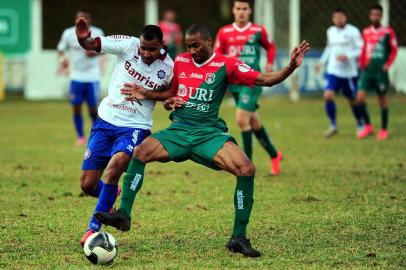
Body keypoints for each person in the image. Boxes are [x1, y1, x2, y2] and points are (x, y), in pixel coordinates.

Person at [95, 24, 310, 257]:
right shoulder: (180, 62)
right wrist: (169, 102)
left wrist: (290, 67)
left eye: (196, 45)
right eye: (189, 46)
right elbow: (171, 94)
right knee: (141, 152)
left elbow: (267, 79)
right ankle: (123, 214)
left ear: (210, 42)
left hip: (208, 133)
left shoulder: (227, 65)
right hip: (178, 131)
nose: (192, 50)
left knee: (246, 169)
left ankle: (239, 237)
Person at [74, 17, 174, 246]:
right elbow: (92, 44)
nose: (146, 54)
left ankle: (92, 230)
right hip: (105, 120)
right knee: (88, 185)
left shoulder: (169, 68)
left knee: (115, 167)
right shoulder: (127, 45)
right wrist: (83, 40)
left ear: (162, 45)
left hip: (135, 126)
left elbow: (171, 94)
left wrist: (147, 93)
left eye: (151, 50)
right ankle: (111, 193)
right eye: (143, 48)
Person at [214, 0, 283, 175]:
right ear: (233, 11)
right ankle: (275, 155)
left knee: (241, 120)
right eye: (238, 9)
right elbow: (217, 55)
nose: (241, 12)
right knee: (253, 121)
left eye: (245, 9)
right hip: (234, 82)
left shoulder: (258, 30)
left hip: (253, 81)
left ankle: (246, 163)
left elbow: (270, 46)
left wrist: (269, 63)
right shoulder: (224, 32)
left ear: (250, 11)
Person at [57, 10, 104, 145]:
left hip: (92, 76)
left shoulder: (98, 32)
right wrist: (62, 59)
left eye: (85, 19)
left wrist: (94, 53)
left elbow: (105, 49)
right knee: (76, 106)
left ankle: (95, 136)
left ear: (89, 20)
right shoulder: (68, 33)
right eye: (79, 18)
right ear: (76, 20)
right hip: (76, 76)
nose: (83, 21)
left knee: (93, 108)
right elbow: (61, 48)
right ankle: (80, 136)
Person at [315, 8, 363, 138]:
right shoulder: (330, 31)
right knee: (328, 95)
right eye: (336, 17)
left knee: (352, 100)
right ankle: (333, 125)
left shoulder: (353, 31)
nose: (339, 20)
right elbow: (329, 48)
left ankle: (360, 123)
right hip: (333, 70)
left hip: (348, 73)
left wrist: (348, 55)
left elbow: (361, 49)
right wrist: (321, 62)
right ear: (333, 19)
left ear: (345, 18)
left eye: (341, 17)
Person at [356, 4, 398, 140]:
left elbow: (394, 50)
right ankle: (368, 126)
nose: (375, 17)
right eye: (373, 14)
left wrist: (388, 64)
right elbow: (363, 49)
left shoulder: (388, 32)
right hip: (367, 70)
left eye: (378, 14)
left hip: (380, 71)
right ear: (370, 16)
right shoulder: (366, 32)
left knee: (382, 99)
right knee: (360, 97)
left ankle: (384, 129)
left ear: (381, 16)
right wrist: (361, 63)